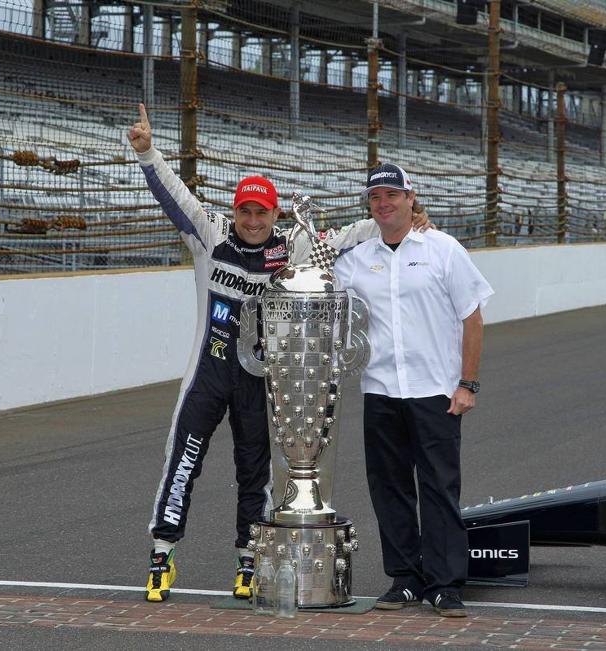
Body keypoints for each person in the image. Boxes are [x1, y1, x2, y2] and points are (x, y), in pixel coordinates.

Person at [127, 106, 430, 602]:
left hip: (260, 379)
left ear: (274, 215)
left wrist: (401, 218)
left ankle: (248, 559)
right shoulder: (212, 234)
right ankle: (162, 551)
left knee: (255, 471)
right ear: (235, 211)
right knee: (182, 459)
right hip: (207, 372)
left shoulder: (296, 245)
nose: (251, 221)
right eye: (244, 211)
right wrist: (146, 153)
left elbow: (350, 237)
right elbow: (174, 198)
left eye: (261, 212)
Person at [334, 162, 493, 617]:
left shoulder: (442, 249)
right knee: (389, 488)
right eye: (375, 198)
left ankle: (445, 584)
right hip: (380, 390)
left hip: (435, 392)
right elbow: (314, 264)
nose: (384, 205)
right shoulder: (358, 259)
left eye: (392, 196)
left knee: (440, 488)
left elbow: (472, 318)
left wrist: (467, 383)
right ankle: (405, 578)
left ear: (410, 198)